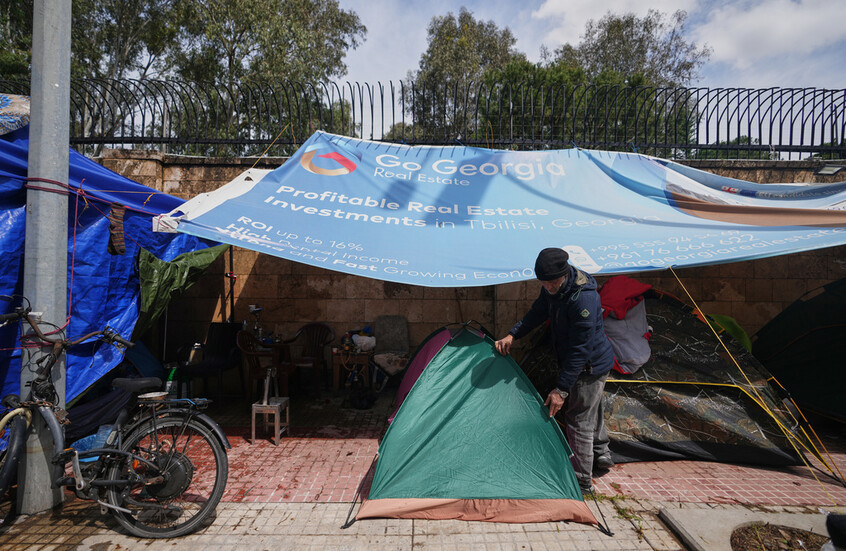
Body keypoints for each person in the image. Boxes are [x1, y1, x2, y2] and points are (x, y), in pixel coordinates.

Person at [495, 247, 615, 493]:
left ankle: (581, 481)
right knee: (591, 407)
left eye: (552, 283)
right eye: (544, 283)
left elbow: (580, 350)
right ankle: (601, 452)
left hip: (590, 365)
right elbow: (537, 312)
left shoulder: (584, 299)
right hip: (579, 359)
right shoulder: (552, 288)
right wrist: (513, 334)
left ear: (565, 274)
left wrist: (561, 390)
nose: (548, 287)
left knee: (578, 418)